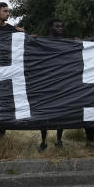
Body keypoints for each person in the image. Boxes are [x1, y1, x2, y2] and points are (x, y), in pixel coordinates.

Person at [39, 19, 66, 150]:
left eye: (61, 27)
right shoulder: (42, 41)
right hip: (46, 84)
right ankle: (43, 141)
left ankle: (59, 140)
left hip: (61, 84)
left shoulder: (66, 43)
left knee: (61, 113)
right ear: (51, 27)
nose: (60, 29)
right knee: (44, 115)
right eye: (57, 26)